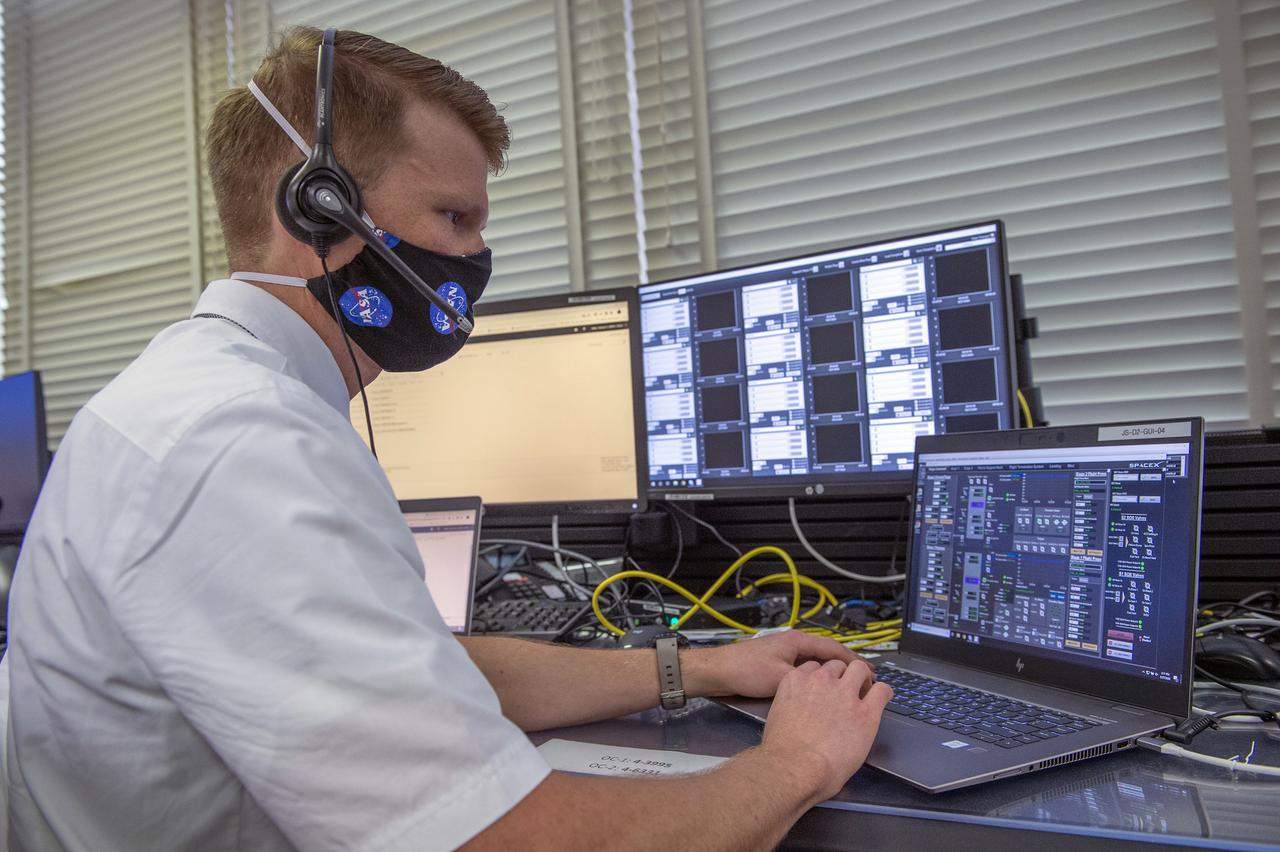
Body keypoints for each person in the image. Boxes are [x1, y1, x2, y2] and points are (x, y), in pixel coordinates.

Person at [2, 27, 890, 851]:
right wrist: (796, 763)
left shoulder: (197, 393)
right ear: (319, 210)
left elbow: (414, 677)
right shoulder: (242, 442)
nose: (472, 266)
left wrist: (697, 666)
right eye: (454, 220)